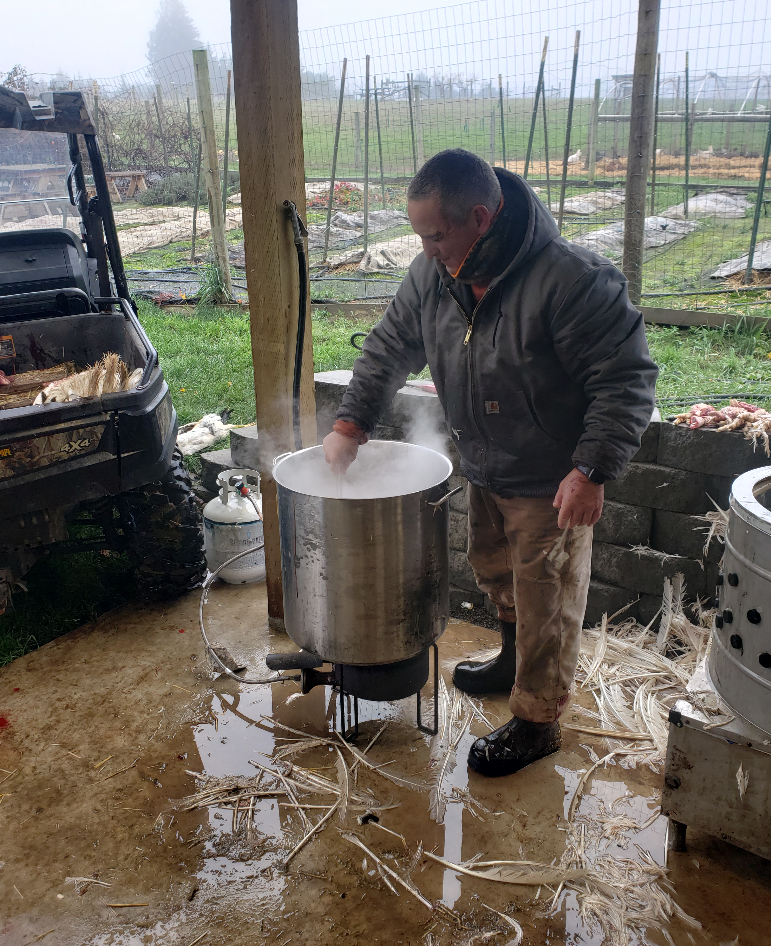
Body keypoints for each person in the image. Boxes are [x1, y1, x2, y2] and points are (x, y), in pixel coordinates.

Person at [323, 149, 658, 777]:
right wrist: (350, 423)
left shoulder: (572, 280)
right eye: (419, 234)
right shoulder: (435, 274)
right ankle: (509, 662)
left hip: (550, 478)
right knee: (499, 574)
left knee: (547, 601)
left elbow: (626, 379)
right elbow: (390, 345)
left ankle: (538, 721)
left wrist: (592, 470)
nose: (424, 249)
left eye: (435, 234)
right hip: (482, 461)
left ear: (480, 217)